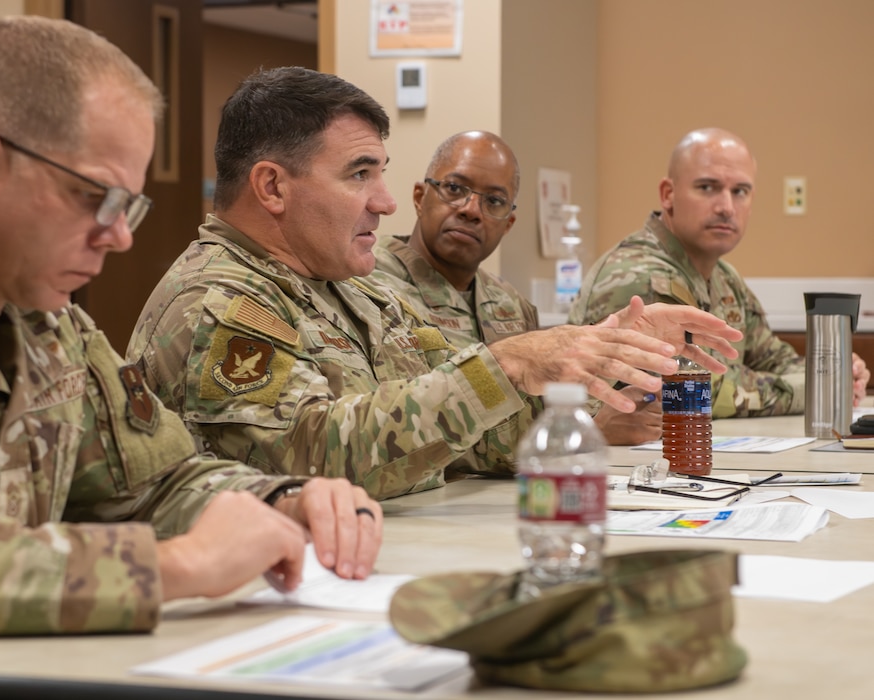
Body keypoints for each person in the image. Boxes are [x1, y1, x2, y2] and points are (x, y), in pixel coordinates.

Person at [0, 17, 382, 640]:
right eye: (99, 198)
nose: (119, 237)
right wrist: (174, 566)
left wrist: (280, 501)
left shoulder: (49, 325)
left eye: (130, 207)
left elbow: (154, 480)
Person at [126, 67, 742, 502]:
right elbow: (320, 458)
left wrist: (608, 350)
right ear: (273, 187)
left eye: (382, 173)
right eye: (359, 175)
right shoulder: (219, 305)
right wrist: (505, 363)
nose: (386, 202)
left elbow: (465, 430)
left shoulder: (350, 288)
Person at [369, 130, 661, 446]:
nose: (471, 210)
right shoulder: (372, 287)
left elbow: (541, 405)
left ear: (508, 223)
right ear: (419, 197)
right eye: (454, 188)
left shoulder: (507, 301)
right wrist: (590, 430)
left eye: (493, 201)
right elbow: (407, 427)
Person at [569, 128, 870, 416]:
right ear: (668, 194)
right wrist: (820, 386)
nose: (726, 207)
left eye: (740, 191)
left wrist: (836, 371)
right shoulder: (640, 274)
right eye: (707, 187)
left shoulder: (724, 276)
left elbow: (775, 359)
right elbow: (693, 388)